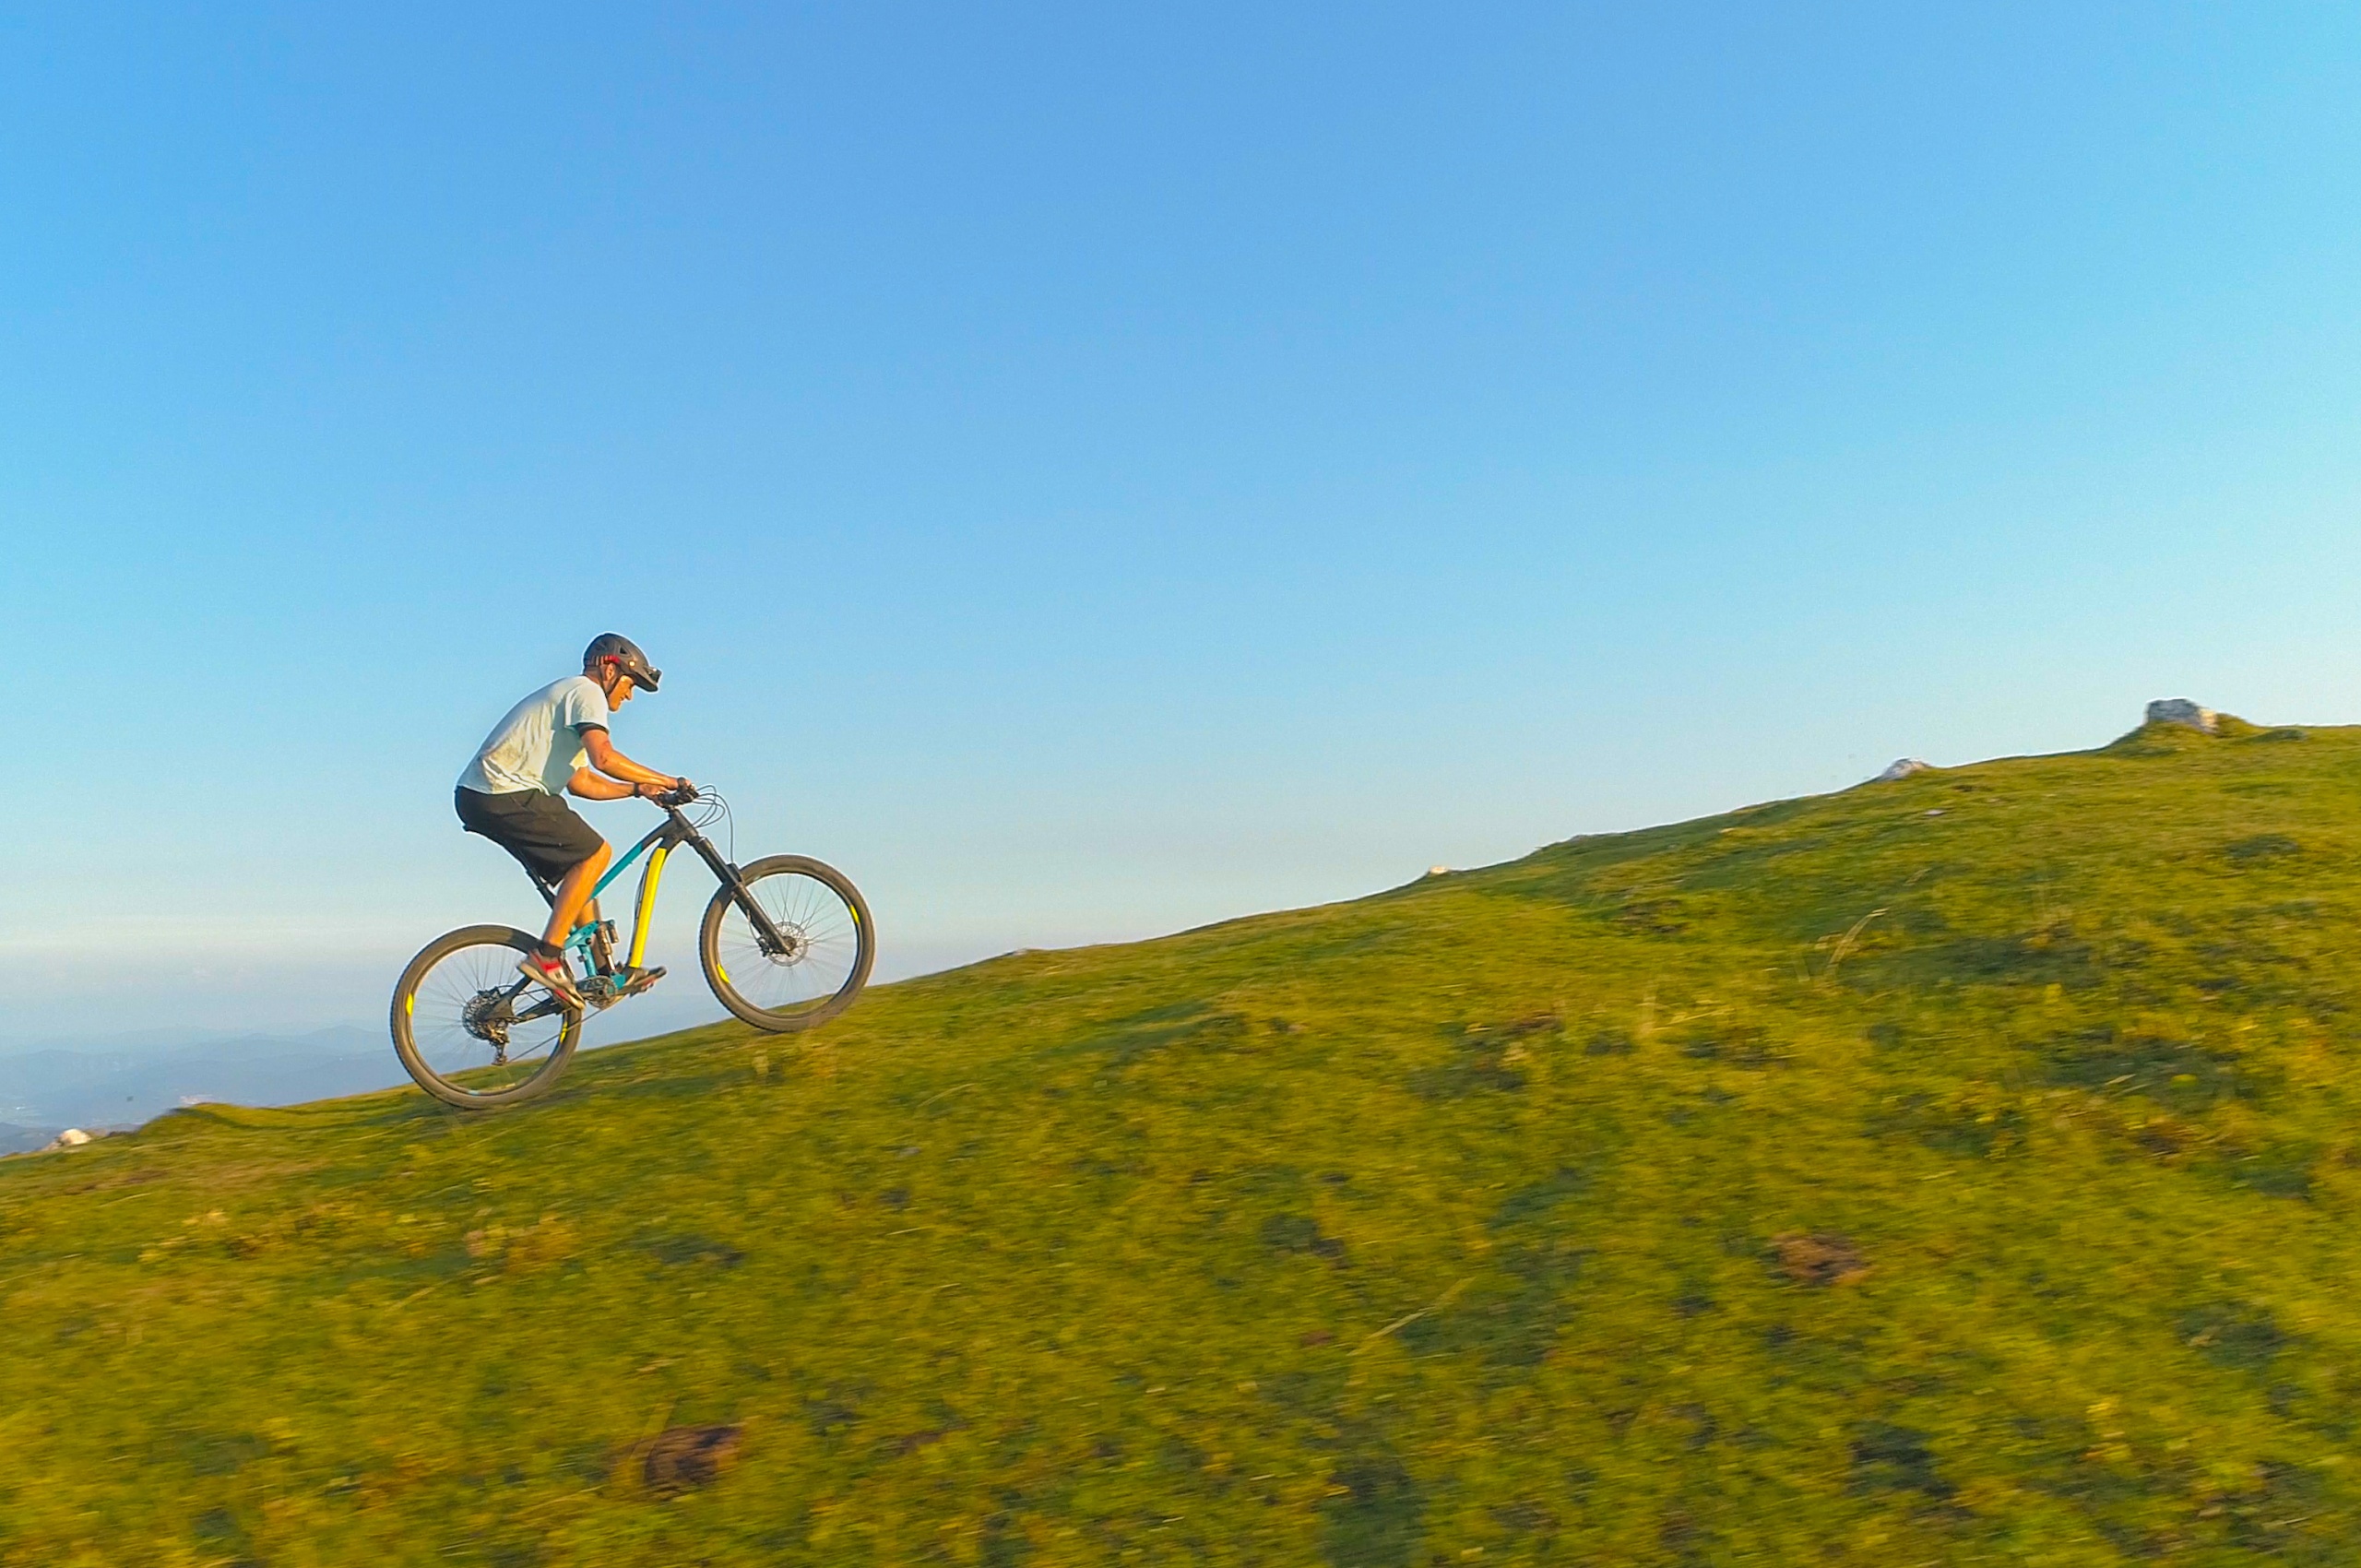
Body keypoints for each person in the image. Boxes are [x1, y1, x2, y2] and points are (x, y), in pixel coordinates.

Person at [454, 634, 694, 1007]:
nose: (629, 696)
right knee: (597, 853)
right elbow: (605, 758)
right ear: (609, 669)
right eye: (630, 685)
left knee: (578, 871)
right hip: (501, 792)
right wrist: (665, 780)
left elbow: (582, 782)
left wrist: (636, 790)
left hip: (486, 797)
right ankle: (547, 957)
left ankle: (602, 973)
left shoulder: (572, 701)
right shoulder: (586, 692)